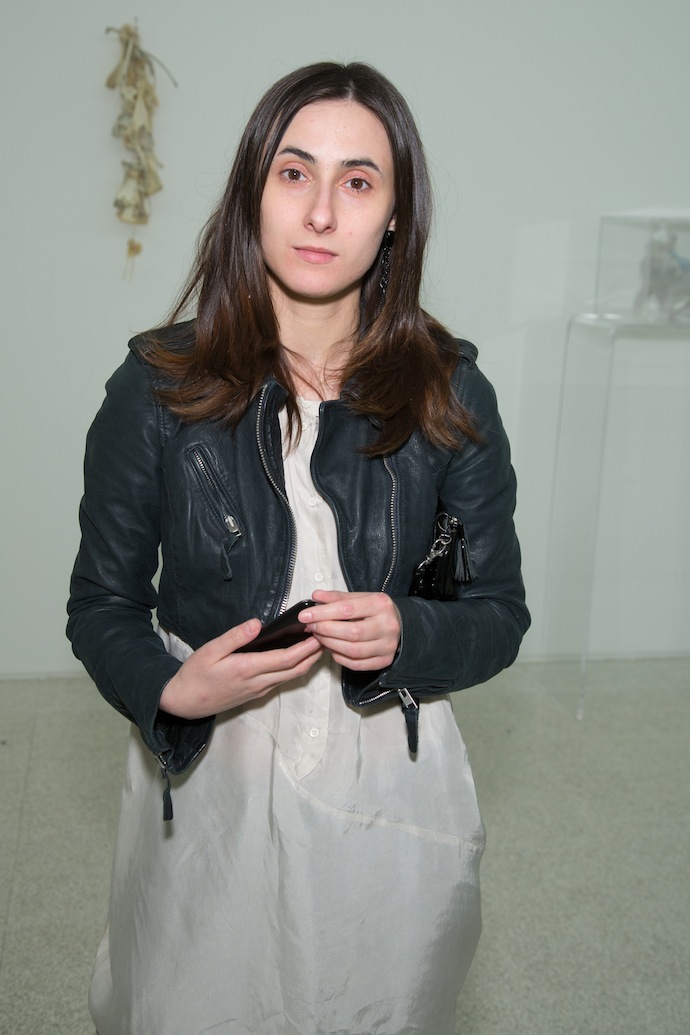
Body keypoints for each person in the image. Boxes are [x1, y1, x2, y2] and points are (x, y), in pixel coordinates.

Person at [67, 61, 530, 1035]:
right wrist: (171, 689)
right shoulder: (153, 387)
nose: (321, 211)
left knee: (373, 1002)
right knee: (198, 999)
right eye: (294, 173)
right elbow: (101, 605)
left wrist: (410, 630)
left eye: (358, 181)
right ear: (253, 191)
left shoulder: (451, 392)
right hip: (213, 774)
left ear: (395, 215)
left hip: (388, 774)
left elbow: (498, 614)